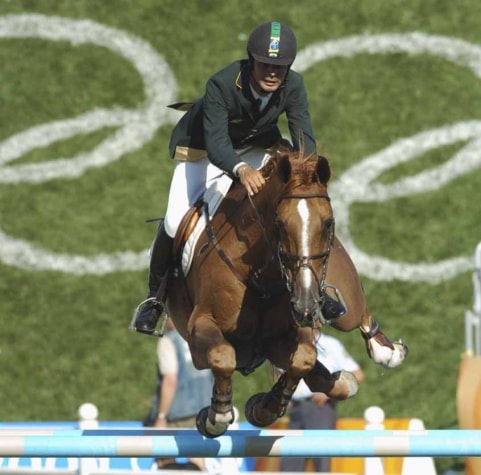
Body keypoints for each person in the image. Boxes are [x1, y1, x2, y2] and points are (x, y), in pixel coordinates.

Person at [133, 20, 345, 335]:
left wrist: (305, 172)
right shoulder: (221, 84)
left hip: (257, 146)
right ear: (251, 61)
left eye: (281, 66)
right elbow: (218, 144)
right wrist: (241, 170)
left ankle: (317, 287)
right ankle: (155, 298)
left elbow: (304, 134)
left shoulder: (294, 85)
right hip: (204, 151)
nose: (273, 72)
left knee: (294, 212)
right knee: (175, 221)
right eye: (266, 65)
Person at [279, 331, 365, 473]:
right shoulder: (290, 345)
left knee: (321, 461)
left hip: (320, 408)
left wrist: (329, 391)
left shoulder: (331, 344)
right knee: (289, 461)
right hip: (296, 408)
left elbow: (357, 374)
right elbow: (280, 375)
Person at [144, 317, 214, 471]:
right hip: (204, 410)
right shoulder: (203, 340)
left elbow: (170, 379)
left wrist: (161, 416)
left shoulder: (169, 341)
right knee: (199, 463)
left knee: (164, 460)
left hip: (176, 411)